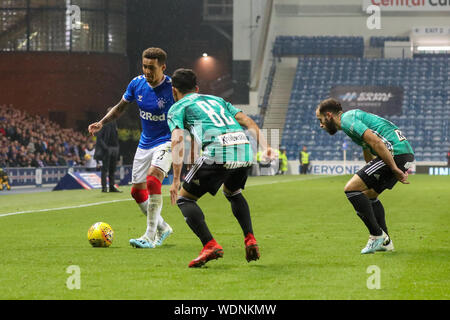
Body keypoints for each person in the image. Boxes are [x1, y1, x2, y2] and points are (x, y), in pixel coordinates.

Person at [167, 68, 274, 268]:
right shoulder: (217, 100)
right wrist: (266, 147)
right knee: (233, 192)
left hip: (217, 151)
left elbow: (178, 140)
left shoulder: (177, 108)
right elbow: (247, 121)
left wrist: (175, 181)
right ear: (197, 88)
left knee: (184, 198)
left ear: (174, 91)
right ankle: (249, 238)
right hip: (244, 148)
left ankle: (209, 245)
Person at [88, 47, 173, 249]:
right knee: (137, 192)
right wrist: (102, 122)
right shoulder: (137, 84)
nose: (147, 71)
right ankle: (163, 227)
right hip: (145, 143)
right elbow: (119, 108)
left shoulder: (172, 88)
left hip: (168, 140)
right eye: (144, 66)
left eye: (151, 67)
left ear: (163, 67)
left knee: (153, 180)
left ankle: (149, 236)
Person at [316, 98, 414, 254]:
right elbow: (368, 146)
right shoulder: (353, 118)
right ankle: (386, 241)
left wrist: (394, 168)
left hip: (395, 153)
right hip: (405, 153)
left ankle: (376, 235)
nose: (321, 125)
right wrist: (370, 172)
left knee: (351, 189)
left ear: (329, 115)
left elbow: (376, 142)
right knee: (369, 195)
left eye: (320, 120)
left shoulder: (347, 120)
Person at [93, 109, 121, 192]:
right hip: (107, 149)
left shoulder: (114, 122)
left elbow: (115, 137)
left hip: (114, 148)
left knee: (112, 169)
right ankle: (104, 187)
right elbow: (99, 137)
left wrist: (117, 148)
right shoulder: (103, 123)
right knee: (105, 169)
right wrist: (106, 148)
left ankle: (112, 187)